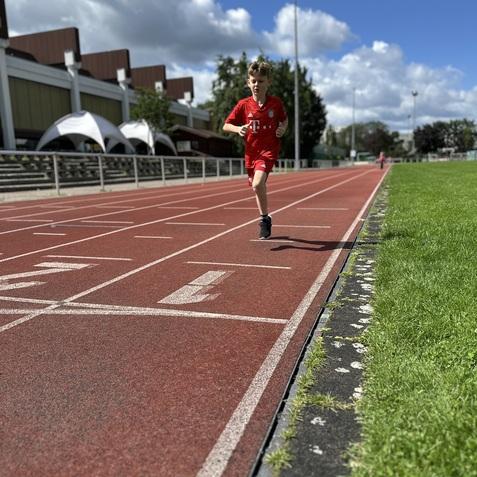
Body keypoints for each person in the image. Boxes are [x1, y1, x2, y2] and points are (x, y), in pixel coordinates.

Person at [223, 61, 288, 240]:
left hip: (268, 151)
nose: (256, 84)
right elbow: (226, 125)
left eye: (261, 81)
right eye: (253, 81)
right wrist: (238, 129)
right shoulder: (243, 105)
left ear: (268, 82)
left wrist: (282, 129)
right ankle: (265, 218)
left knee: (258, 184)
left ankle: (263, 220)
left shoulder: (275, 104)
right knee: (256, 187)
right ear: (248, 82)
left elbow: (284, 120)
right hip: (251, 153)